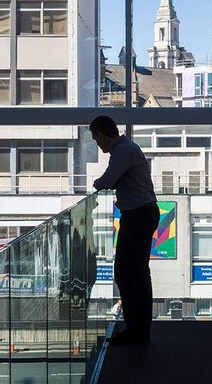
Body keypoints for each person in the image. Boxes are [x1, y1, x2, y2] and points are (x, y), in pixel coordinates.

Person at [89, 115, 159, 346]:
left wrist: (97, 183)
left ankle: (136, 331)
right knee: (137, 273)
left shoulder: (122, 151)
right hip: (141, 214)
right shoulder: (128, 148)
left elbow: (106, 181)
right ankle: (139, 330)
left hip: (138, 215)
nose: (98, 146)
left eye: (96, 140)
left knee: (126, 273)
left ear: (101, 135)